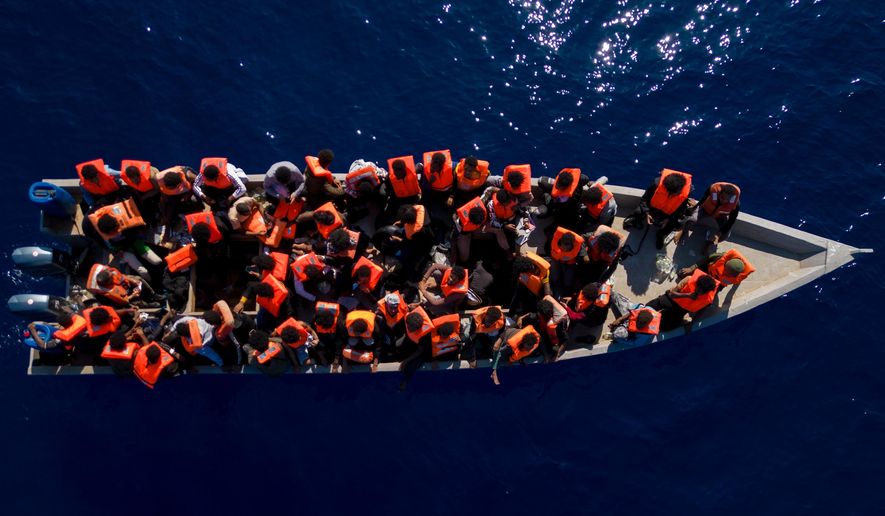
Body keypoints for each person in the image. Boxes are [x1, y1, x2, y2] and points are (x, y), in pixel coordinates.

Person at [625, 168, 694, 249]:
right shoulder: (656, 184)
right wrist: (647, 213)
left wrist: (669, 219)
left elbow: (681, 210)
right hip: (653, 207)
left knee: (674, 223)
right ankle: (633, 221)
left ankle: (661, 234)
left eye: (673, 193)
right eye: (668, 192)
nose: (671, 195)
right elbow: (644, 199)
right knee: (639, 211)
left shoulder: (686, 192)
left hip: (669, 213)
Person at [647, 270, 719, 331]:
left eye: (702, 291)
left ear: (706, 292)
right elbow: (671, 294)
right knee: (649, 307)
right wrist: (687, 295)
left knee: (665, 327)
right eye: (698, 288)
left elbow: (700, 312)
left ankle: (674, 319)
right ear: (697, 284)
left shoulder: (708, 299)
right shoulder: (689, 279)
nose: (699, 291)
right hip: (671, 299)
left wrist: (692, 323)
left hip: (681, 310)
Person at [695, 182, 741, 253]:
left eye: (727, 199)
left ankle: (709, 243)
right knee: (690, 218)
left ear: (731, 199)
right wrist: (694, 207)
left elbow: (731, 221)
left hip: (720, 216)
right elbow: (702, 200)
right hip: (705, 210)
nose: (724, 201)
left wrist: (719, 234)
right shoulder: (713, 190)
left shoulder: (736, 204)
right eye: (722, 197)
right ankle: (682, 231)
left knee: (726, 234)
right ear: (719, 194)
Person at [86, 263, 160, 307]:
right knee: (137, 303)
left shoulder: (110, 272)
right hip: (127, 295)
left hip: (127, 284)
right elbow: (125, 301)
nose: (113, 275)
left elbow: (122, 276)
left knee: (138, 278)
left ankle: (153, 295)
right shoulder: (110, 292)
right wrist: (133, 295)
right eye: (111, 277)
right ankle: (149, 304)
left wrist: (132, 280)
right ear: (108, 282)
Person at [397, 307, 435, 390]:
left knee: (413, 364)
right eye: (409, 327)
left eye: (413, 329)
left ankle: (406, 380)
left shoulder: (425, 334)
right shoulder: (409, 318)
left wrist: (406, 361)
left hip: (424, 349)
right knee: (398, 345)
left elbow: (420, 351)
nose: (410, 329)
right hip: (411, 340)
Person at [678, 248, 755, 289]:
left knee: (706, 302)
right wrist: (691, 268)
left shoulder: (738, 278)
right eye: (725, 270)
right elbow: (706, 259)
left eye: (728, 274)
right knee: (681, 274)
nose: (724, 273)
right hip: (708, 270)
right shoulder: (720, 257)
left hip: (717, 282)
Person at [548, 226, 587, 298]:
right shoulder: (556, 240)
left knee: (568, 283)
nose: (564, 248)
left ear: (572, 244)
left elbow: (583, 248)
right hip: (556, 260)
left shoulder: (578, 245)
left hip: (569, 264)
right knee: (554, 278)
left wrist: (585, 255)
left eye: (567, 246)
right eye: (563, 245)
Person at [375, 291, 409, 361]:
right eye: (391, 307)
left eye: (395, 307)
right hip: (386, 329)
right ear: (386, 305)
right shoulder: (380, 312)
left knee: (398, 345)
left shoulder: (404, 309)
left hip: (398, 329)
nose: (393, 310)